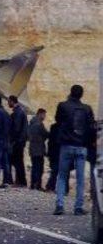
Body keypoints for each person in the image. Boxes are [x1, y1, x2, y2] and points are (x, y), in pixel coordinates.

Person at [53, 85, 96, 216]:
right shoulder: (87, 109)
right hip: (81, 146)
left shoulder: (62, 106)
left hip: (66, 145)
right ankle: (78, 207)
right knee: (80, 178)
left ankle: (60, 205)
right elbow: (92, 126)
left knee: (62, 176)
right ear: (81, 95)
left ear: (70, 93)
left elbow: (58, 121)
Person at [8, 95, 28, 187]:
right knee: (18, 161)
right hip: (20, 141)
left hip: (18, 141)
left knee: (18, 161)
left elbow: (16, 128)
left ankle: (20, 182)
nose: (8, 103)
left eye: (9, 101)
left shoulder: (18, 113)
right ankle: (20, 181)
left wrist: (12, 140)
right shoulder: (20, 111)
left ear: (12, 101)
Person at [28, 108, 49, 190]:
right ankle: (38, 185)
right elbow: (46, 134)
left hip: (32, 148)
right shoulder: (39, 124)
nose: (44, 117)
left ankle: (33, 185)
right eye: (44, 114)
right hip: (39, 149)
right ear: (40, 114)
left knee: (34, 167)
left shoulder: (31, 123)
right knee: (39, 168)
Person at [45, 122, 61, 192]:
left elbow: (50, 142)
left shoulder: (53, 127)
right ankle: (55, 187)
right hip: (59, 152)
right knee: (58, 171)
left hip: (54, 152)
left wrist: (49, 153)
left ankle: (50, 186)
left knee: (54, 170)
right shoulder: (66, 126)